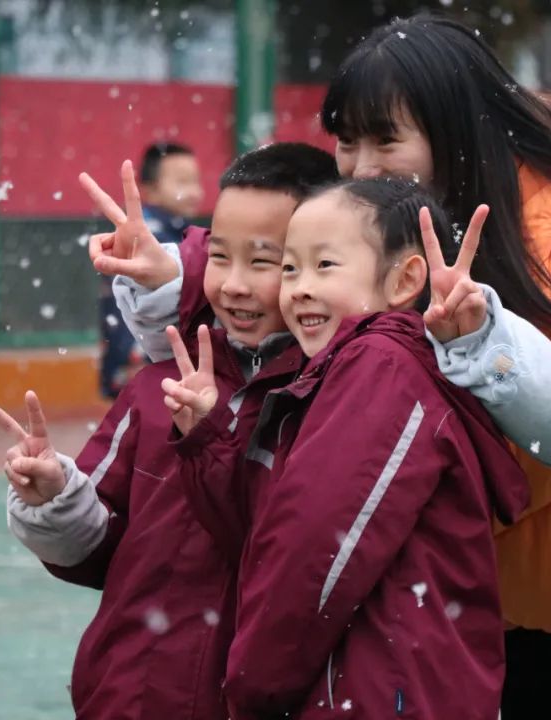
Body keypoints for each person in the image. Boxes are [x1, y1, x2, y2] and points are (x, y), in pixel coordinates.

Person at [115, 13, 551, 719]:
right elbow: (289, 246)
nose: (361, 166)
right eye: (347, 141)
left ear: (456, 131)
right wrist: (179, 275)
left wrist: (480, 363)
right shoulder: (392, 217)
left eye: (386, 140)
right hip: (511, 576)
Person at [0, 142, 339, 720]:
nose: (234, 285)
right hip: (127, 695)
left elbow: (294, 556)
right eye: (219, 258)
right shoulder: (158, 387)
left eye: (264, 262)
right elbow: (100, 548)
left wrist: (212, 438)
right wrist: (55, 498)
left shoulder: (330, 401)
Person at [163, 177, 529, 719]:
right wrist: (209, 440)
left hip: (377, 698)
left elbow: (316, 551)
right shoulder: (335, 374)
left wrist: (252, 687)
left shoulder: (380, 366)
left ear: (404, 280)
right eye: (290, 268)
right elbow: (261, 532)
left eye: (324, 266)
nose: (300, 288)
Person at [98, 142, 203, 398]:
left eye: (195, 181)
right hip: (145, 360)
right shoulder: (151, 237)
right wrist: (133, 356)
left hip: (142, 358)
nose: (195, 191)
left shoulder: (178, 232)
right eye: (182, 182)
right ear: (150, 189)